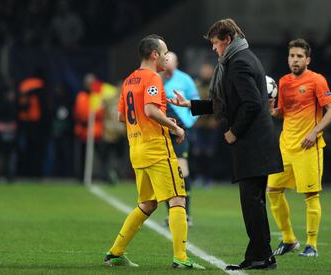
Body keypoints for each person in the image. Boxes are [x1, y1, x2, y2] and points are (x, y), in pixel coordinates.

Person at [168, 18, 283, 270]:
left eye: (215, 43)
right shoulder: (240, 57)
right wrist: (190, 104)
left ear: (227, 40)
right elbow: (229, 103)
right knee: (253, 201)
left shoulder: (239, 62)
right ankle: (262, 255)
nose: (213, 48)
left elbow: (252, 103)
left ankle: (260, 257)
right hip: (256, 141)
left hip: (252, 142)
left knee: (251, 201)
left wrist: (234, 130)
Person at [103, 34, 204, 270]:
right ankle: (181, 257)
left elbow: (121, 116)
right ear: (154, 55)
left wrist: (156, 120)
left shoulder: (129, 80)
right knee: (178, 198)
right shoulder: (153, 78)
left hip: (136, 149)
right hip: (157, 149)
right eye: (165, 52)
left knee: (147, 204)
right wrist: (175, 126)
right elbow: (149, 109)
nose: (168, 57)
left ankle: (115, 252)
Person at [267, 38, 331, 258]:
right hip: (285, 146)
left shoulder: (317, 80)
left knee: (310, 194)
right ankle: (289, 239)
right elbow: (281, 112)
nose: (295, 60)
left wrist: (314, 132)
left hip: (309, 147)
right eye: (292, 56)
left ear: (307, 59)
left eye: (299, 56)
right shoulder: (284, 81)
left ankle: (312, 245)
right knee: (272, 191)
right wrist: (271, 108)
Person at [161, 51, 200, 227]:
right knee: (164, 171)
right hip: (160, 131)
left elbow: (196, 99)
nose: (167, 62)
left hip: (181, 129)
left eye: (171, 60)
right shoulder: (155, 79)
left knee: (181, 170)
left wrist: (190, 119)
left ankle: (187, 214)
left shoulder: (184, 79)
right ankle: (171, 213)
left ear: (177, 64)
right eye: (165, 59)